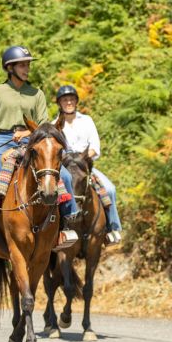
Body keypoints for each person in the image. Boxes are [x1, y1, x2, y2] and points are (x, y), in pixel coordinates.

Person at [0, 46, 79, 249]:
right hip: (1, 140)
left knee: (64, 176)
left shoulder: (36, 94)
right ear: (10, 68)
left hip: (33, 141)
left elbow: (44, 125)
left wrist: (28, 133)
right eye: (22, 65)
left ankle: (66, 224)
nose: (27, 69)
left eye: (28, 65)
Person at [54, 84, 123, 245]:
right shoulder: (55, 124)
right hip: (65, 167)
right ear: (59, 103)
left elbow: (95, 147)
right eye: (65, 100)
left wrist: (82, 159)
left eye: (72, 99)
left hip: (83, 165)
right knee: (51, 194)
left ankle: (111, 229)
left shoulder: (86, 120)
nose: (69, 102)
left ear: (76, 101)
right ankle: (53, 232)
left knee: (110, 189)